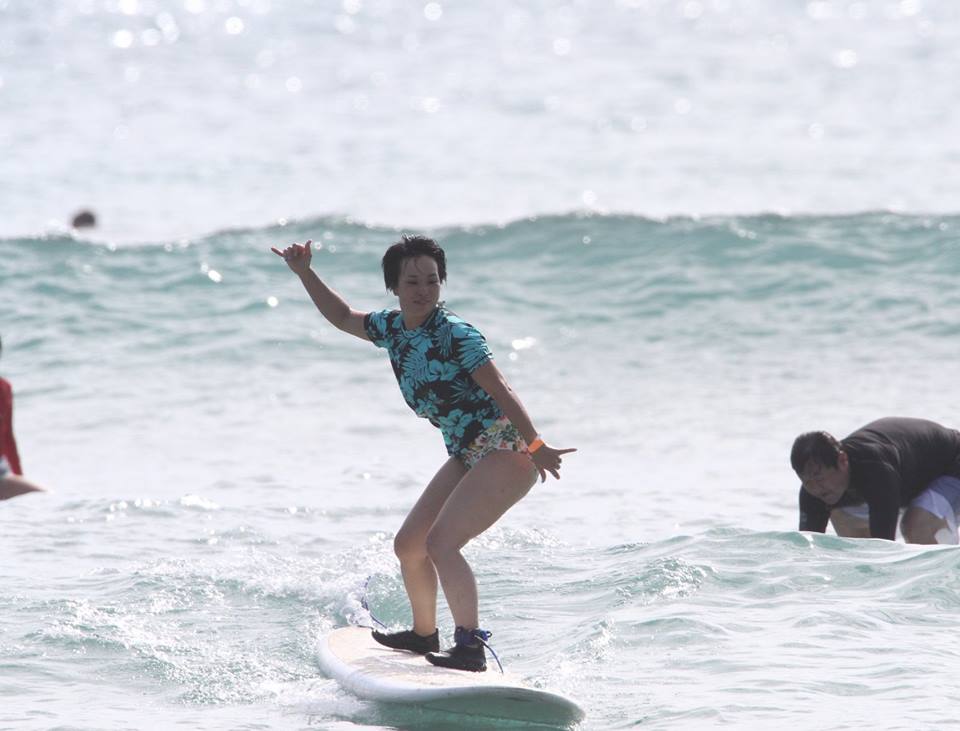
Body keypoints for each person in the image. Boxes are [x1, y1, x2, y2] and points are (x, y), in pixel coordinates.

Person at [272, 234, 576, 671]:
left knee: (442, 543)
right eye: (412, 282)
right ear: (394, 286)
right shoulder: (393, 329)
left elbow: (502, 388)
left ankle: (470, 646)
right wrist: (304, 273)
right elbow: (341, 316)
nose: (423, 290)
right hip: (467, 451)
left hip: (506, 449)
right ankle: (423, 635)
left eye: (432, 281)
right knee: (410, 545)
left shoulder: (456, 334)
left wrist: (535, 443)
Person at [791, 417, 960, 544]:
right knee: (842, 517)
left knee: (916, 524)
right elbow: (808, 551)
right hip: (913, 477)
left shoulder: (876, 470)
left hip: (953, 463)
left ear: (842, 461)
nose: (816, 488)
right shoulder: (812, 492)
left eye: (819, 478)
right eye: (807, 482)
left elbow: (884, 545)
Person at [0, 335, 45, 501]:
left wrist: (18, 475)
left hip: (1, 473)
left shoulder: (4, 388)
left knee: (43, 499)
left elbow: (7, 437)